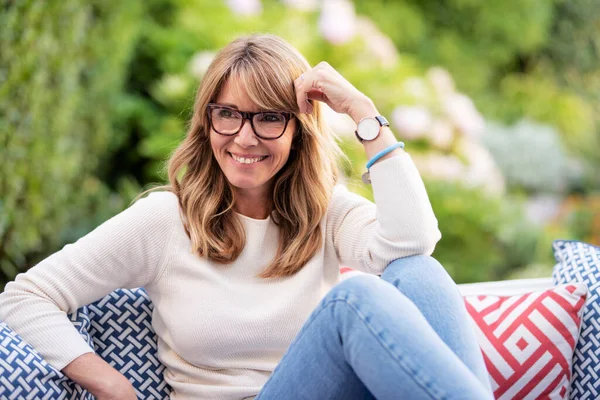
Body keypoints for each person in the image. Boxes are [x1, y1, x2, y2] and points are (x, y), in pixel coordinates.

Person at [0, 34, 493, 400]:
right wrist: (111, 384)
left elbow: (414, 242)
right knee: (353, 300)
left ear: (298, 131)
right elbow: (25, 296)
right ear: (207, 119)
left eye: (269, 117)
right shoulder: (164, 220)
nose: (245, 137)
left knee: (418, 272)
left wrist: (363, 112)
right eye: (228, 114)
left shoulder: (326, 212)